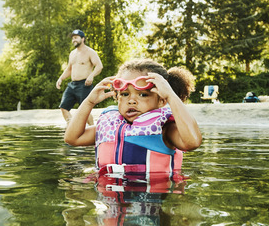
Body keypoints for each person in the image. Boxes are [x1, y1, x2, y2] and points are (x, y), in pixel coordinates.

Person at [64, 58, 202, 174]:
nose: (131, 100)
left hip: (153, 199)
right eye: (124, 94)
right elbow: (72, 138)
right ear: (117, 97)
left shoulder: (166, 129)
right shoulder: (110, 126)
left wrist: (171, 95)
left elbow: (193, 142)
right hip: (111, 197)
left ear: (161, 100)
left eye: (142, 94)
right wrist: (89, 101)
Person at [56, 29, 103, 125]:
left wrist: (91, 75)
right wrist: (60, 78)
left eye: (76, 38)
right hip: (72, 85)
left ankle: (91, 129)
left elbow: (99, 66)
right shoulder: (72, 53)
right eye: (73, 38)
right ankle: (72, 127)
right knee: (64, 108)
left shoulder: (90, 52)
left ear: (83, 39)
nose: (74, 40)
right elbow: (69, 69)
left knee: (84, 109)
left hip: (84, 84)